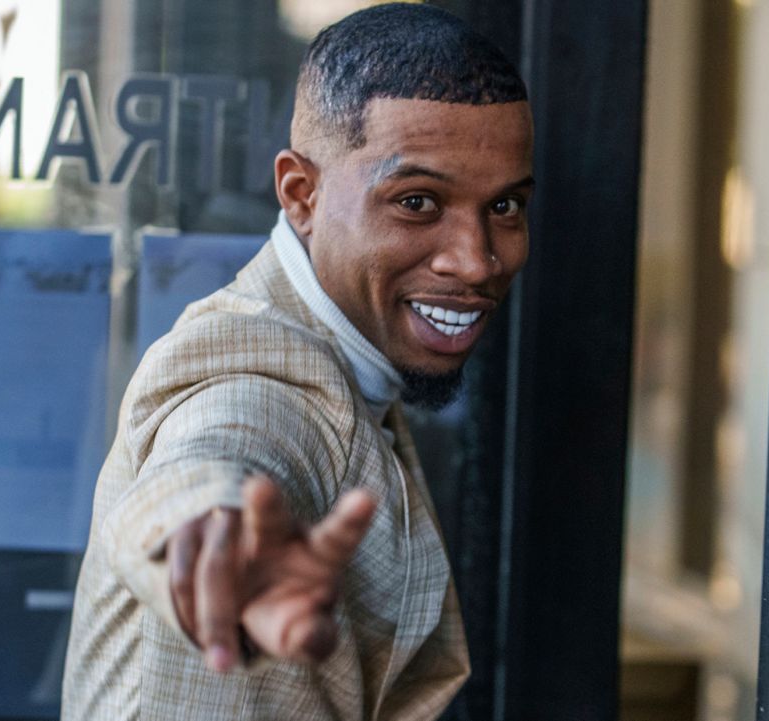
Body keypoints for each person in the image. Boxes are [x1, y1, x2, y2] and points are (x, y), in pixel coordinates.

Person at [61, 4, 534, 718]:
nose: (475, 260)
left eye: (504, 207)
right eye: (417, 202)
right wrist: (218, 534)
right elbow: (214, 450)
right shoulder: (257, 378)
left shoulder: (350, 359)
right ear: (301, 195)